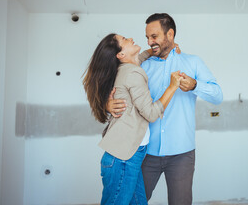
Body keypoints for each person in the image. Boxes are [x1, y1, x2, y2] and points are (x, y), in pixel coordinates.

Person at [107, 13, 223, 205]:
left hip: (182, 155)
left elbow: (217, 96)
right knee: (133, 202)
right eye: (147, 37)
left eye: (154, 36)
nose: (149, 42)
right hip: (145, 153)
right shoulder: (140, 65)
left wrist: (195, 85)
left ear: (170, 34)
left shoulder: (193, 62)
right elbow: (115, 88)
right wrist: (108, 104)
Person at [83, 33, 183, 205]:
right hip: (123, 159)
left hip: (126, 155)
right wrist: (172, 87)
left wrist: (155, 50)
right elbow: (151, 114)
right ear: (120, 55)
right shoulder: (133, 73)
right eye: (124, 40)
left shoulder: (123, 69)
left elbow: (138, 58)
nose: (130, 38)